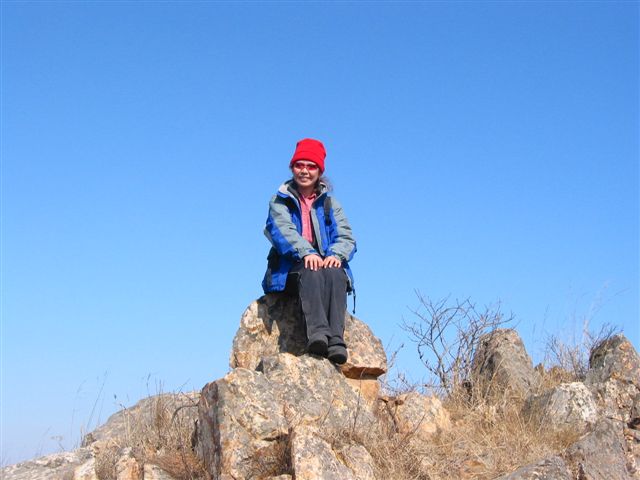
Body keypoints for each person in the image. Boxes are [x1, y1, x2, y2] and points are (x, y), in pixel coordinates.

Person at [262, 138, 356, 365]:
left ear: (319, 171)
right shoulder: (280, 200)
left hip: (324, 267)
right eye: (299, 165)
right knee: (311, 269)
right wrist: (306, 252)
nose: (304, 171)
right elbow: (281, 231)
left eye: (311, 166)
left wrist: (335, 255)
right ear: (292, 168)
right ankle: (317, 335)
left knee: (336, 272)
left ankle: (336, 341)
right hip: (290, 269)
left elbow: (346, 237)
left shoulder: (330, 204)